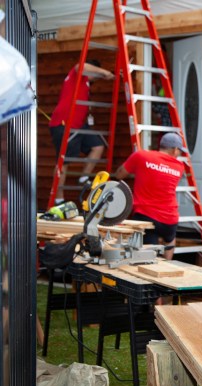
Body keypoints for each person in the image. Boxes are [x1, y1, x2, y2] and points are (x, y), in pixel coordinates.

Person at [49, 60, 115, 204]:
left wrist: (112, 74)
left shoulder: (86, 82)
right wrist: (103, 72)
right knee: (63, 163)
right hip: (64, 124)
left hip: (79, 126)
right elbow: (80, 66)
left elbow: (104, 76)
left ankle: (84, 177)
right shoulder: (77, 76)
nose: (96, 78)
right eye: (95, 72)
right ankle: (58, 198)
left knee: (98, 146)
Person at [113, 133, 187, 260]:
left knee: (147, 254)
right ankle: (168, 264)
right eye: (179, 151)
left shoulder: (141, 156)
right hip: (169, 218)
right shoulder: (180, 167)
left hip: (145, 216)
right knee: (169, 240)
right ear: (175, 150)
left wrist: (137, 167)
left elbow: (119, 175)